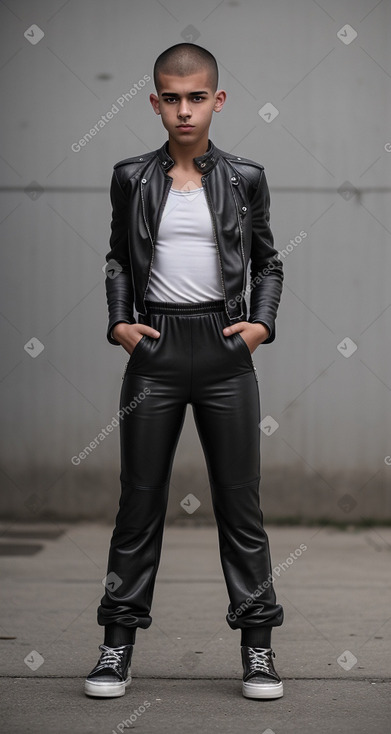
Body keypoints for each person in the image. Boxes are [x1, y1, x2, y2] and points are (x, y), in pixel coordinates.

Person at [84, 42, 284, 701]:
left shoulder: (246, 177)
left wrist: (259, 324)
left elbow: (268, 262)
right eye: (170, 97)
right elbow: (118, 259)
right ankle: (116, 646)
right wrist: (120, 323)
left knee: (240, 506)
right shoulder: (131, 176)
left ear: (216, 101)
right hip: (156, 350)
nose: (183, 110)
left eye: (196, 97)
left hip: (225, 352)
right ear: (154, 102)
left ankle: (257, 649)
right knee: (138, 505)